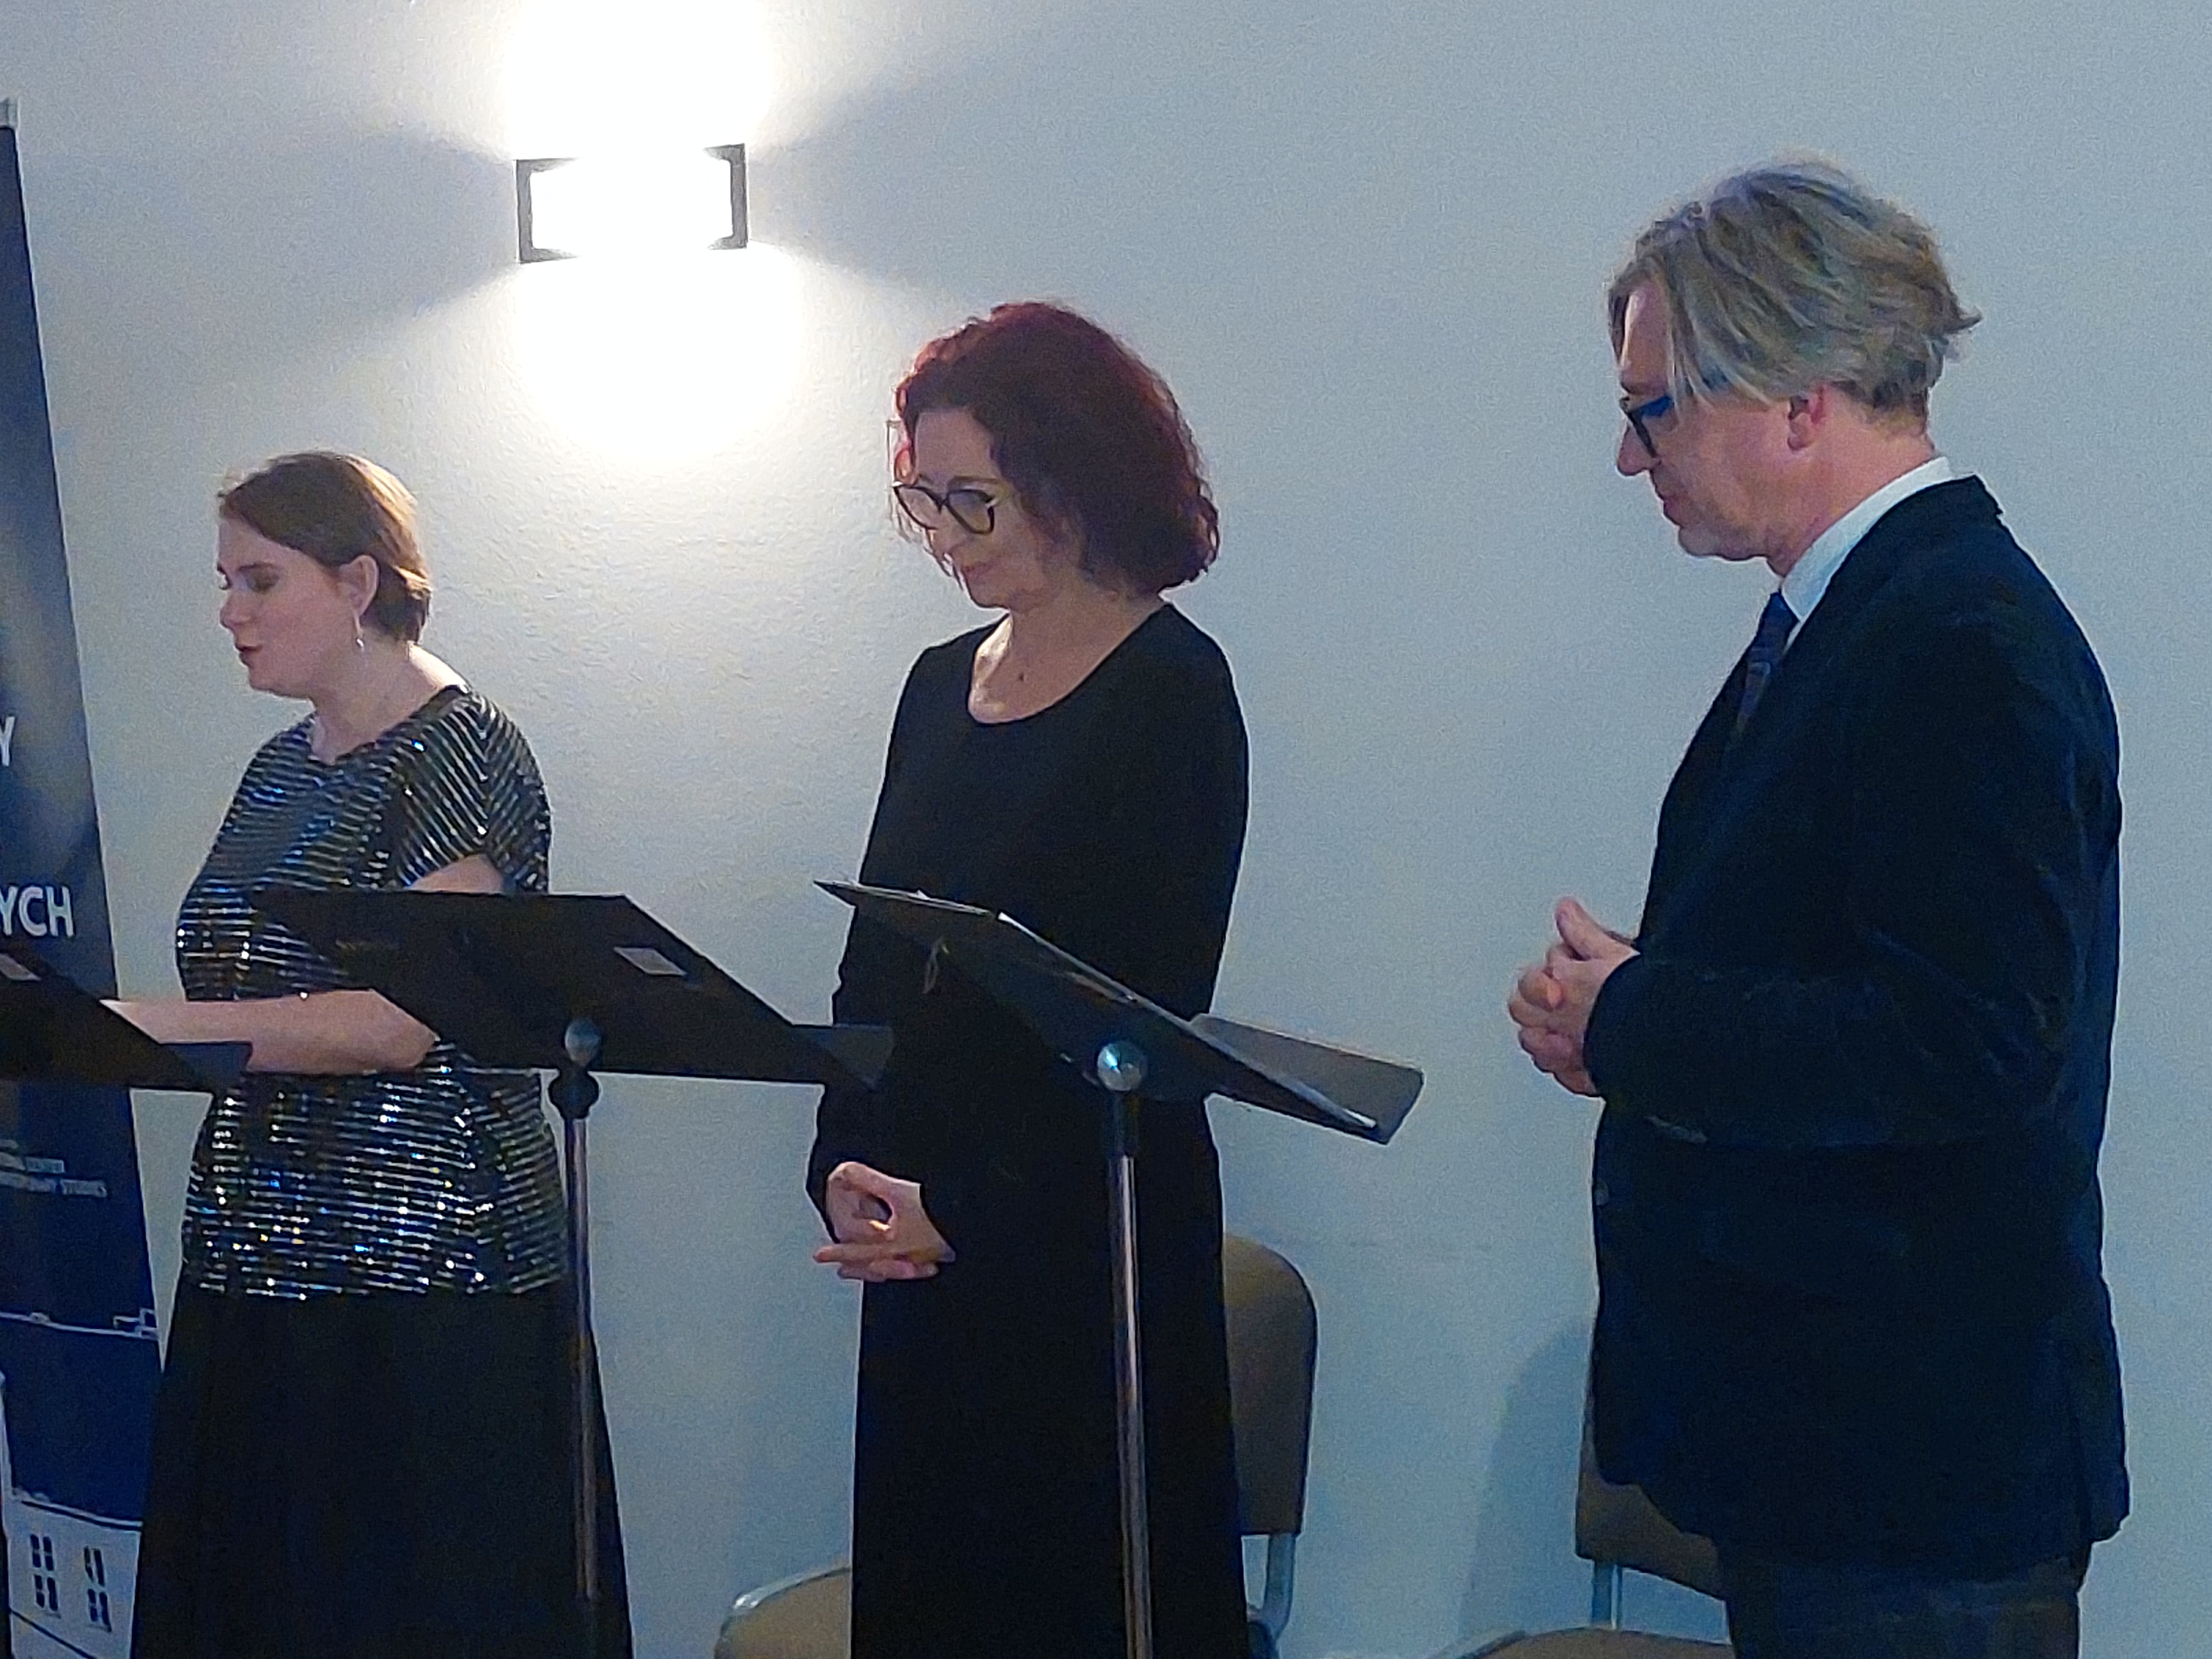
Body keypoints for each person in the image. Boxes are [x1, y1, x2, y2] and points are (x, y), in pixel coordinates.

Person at [1507, 163, 2126, 1659]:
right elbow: (1857, 965)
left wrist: (1640, 1016)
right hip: (1843, 1453)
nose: (1629, 454)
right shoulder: (1874, 612)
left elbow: (1969, 1041)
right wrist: (1633, 1014)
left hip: (1911, 1474)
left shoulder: (1956, 636)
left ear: (1795, 398)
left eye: (1653, 409)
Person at [114, 452, 629, 1659]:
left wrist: (135, 1025)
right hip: (255, 1251)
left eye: (259, 580)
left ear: (357, 582)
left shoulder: (463, 750)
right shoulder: (276, 770)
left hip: (426, 1274)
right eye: (225, 582)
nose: (229, 613)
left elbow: (399, 1021)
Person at [807, 302, 1250, 1659]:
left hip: (1084, 1236)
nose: (944, 535)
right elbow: (874, 970)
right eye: (923, 500)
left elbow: (1138, 1014)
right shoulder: (935, 685)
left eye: (972, 500)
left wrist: (966, 1209)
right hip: (918, 1237)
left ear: (1072, 478)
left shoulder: (1173, 689)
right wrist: (842, 1159)